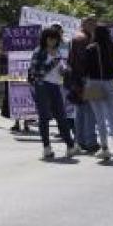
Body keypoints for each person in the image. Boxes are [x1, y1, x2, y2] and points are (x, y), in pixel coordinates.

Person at [28, 27, 79, 159]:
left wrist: (64, 69)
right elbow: (36, 72)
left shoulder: (58, 51)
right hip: (42, 86)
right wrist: (53, 63)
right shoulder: (39, 51)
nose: (52, 41)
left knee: (61, 116)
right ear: (45, 39)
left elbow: (59, 68)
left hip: (56, 86)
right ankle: (46, 148)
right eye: (50, 38)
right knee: (44, 117)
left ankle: (70, 145)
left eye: (55, 39)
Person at [83, 25, 113, 161]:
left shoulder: (90, 48)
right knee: (111, 118)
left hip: (93, 83)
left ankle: (105, 148)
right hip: (109, 82)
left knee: (99, 118)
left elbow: (85, 68)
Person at [67, 17, 100, 153]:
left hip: (77, 78)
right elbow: (84, 60)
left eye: (95, 23)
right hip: (87, 78)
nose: (95, 26)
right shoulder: (84, 39)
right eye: (92, 23)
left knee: (80, 112)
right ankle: (91, 142)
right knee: (91, 111)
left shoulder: (76, 37)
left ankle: (79, 141)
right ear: (85, 24)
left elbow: (71, 60)